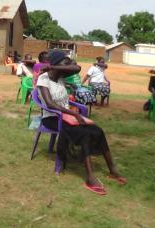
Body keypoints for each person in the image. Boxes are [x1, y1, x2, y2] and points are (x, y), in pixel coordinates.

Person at [37, 50, 125, 195]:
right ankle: (90, 177)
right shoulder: (43, 78)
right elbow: (50, 104)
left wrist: (55, 67)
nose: (68, 66)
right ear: (56, 63)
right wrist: (73, 113)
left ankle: (113, 170)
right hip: (52, 118)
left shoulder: (59, 76)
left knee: (97, 130)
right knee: (84, 135)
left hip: (66, 116)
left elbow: (76, 68)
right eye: (64, 63)